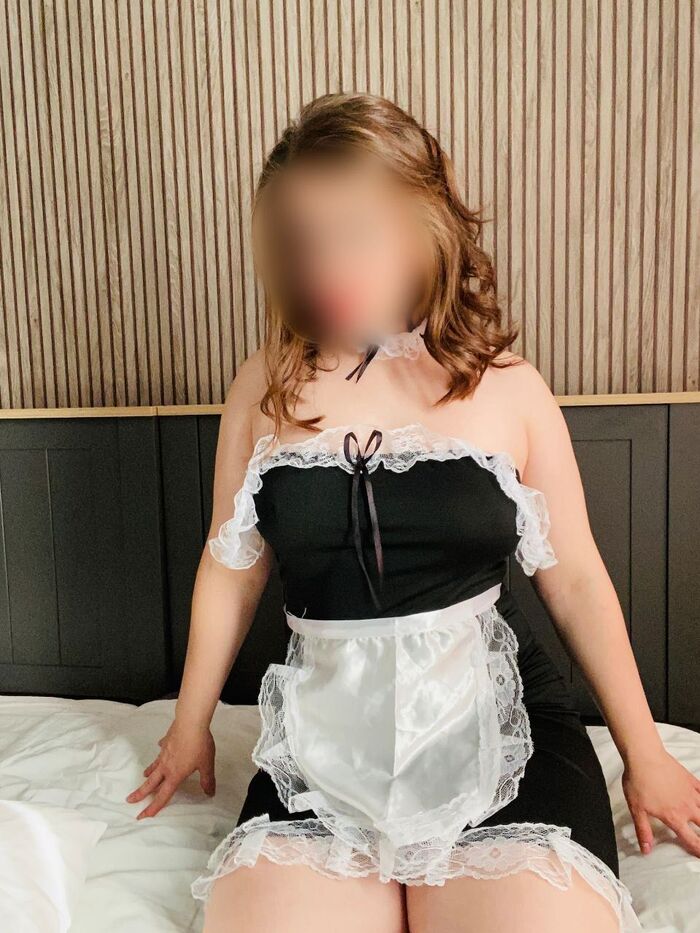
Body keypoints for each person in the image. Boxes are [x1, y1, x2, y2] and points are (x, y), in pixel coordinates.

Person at [126, 93, 700, 933]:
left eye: (354, 232)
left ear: (425, 224)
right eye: (301, 239)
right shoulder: (265, 384)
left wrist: (644, 753)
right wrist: (190, 723)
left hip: (501, 733)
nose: (324, 265)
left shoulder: (509, 387)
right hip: (325, 745)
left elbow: (574, 576)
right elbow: (231, 566)